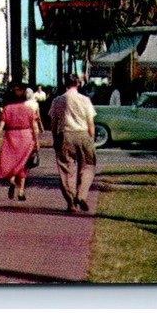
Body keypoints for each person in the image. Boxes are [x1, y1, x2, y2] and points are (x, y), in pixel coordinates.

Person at [49, 75, 97, 213]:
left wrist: (55, 139)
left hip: (66, 135)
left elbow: (53, 123)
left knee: (66, 169)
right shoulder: (85, 100)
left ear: (65, 84)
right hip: (83, 134)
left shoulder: (58, 100)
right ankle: (81, 194)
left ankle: (70, 200)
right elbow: (90, 123)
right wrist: (91, 138)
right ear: (78, 84)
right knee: (88, 165)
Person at [0, 87, 41, 201]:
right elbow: (33, 126)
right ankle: (21, 191)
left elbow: (1, 125)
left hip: (11, 136)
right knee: (23, 164)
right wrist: (36, 141)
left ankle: (12, 180)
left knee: (11, 161)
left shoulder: (7, 109)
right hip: (26, 136)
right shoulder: (29, 110)